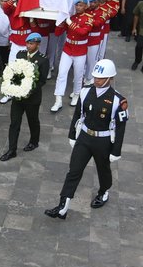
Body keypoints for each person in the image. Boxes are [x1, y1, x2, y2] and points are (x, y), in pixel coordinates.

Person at [45, 59, 128, 219]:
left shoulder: (118, 100)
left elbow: (120, 128)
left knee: (103, 170)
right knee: (73, 171)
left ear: (110, 79)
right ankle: (63, 206)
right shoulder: (85, 91)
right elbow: (78, 115)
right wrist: (72, 135)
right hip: (84, 137)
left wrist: (116, 151)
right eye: (95, 77)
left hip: (102, 141)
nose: (96, 80)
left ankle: (104, 192)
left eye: (100, 78)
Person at [0, 32, 49, 161]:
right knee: (14, 122)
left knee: (32, 120)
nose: (28, 45)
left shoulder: (43, 59)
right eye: (27, 43)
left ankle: (34, 141)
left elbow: (42, 80)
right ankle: (12, 150)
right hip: (18, 97)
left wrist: (29, 89)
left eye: (31, 43)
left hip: (32, 98)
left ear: (38, 44)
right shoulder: (20, 54)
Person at [50, 0, 93, 112]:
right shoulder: (72, 17)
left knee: (78, 75)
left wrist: (69, 22)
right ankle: (58, 99)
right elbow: (57, 33)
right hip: (68, 49)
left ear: (85, 6)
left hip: (80, 50)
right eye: (77, 5)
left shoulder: (89, 19)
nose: (78, 7)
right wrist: (60, 22)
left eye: (81, 5)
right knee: (61, 74)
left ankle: (76, 94)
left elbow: (83, 32)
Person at [131, 0, 143, 71]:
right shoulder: (141, 4)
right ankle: (137, 61)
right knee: (139, 46)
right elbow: (136, 15)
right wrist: (134, 28)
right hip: (142, 30)